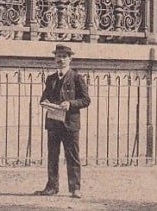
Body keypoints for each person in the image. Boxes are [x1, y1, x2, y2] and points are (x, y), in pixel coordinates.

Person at [34, 44, 90, 199]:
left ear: (70, 59)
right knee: (52, 156)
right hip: (53, 122)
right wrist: (45, 103)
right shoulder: (51, 78)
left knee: (72, 156)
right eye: (58, 56)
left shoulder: (77, 77)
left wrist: (70, 104)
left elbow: (86, 100)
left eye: (64, 56)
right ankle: (51, 187)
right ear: (54, 58)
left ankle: (75, 189)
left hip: (70, 123)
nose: (61, 59)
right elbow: (43, 98)